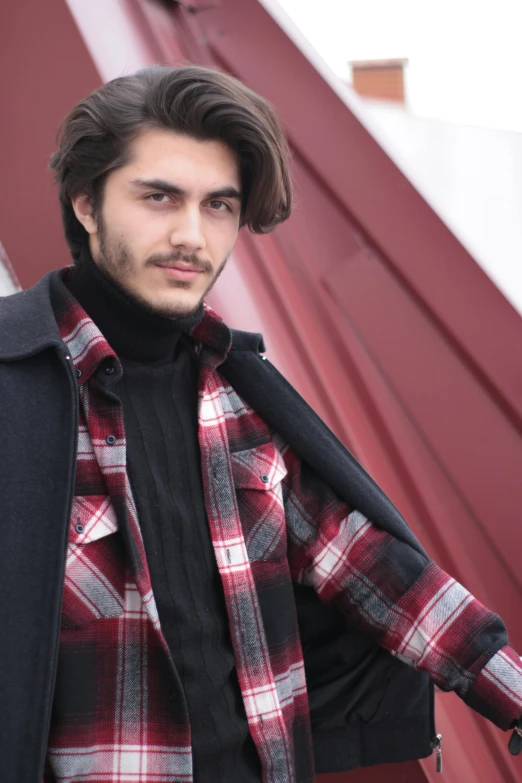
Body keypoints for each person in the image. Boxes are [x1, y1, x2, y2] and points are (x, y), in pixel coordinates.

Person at [0, 65, 520, 783]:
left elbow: (374, 566)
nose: (192, 235)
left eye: (219, 206)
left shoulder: (241, 395)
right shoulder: (15, 386)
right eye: (160, 197)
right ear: (87, 204)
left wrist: (513, 693)